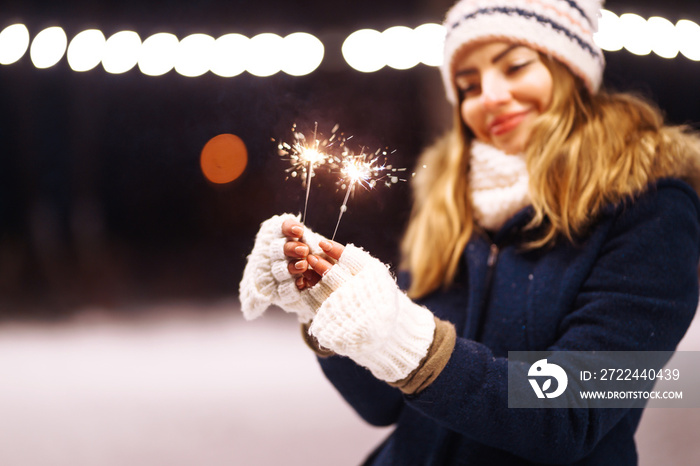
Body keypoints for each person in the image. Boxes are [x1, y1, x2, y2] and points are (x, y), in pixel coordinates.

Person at [238, 0, 700, 464]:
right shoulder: (450, 206)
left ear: (571, 68)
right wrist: (326, 309)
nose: (490, 97)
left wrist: (415, 343)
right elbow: (381, 406)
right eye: (468, 85)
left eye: (515, 66)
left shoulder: (654, 211)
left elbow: (569, 416)